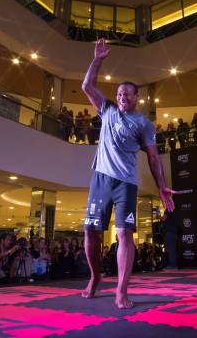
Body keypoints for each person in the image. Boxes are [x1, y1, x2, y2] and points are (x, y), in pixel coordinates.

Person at [80, 38, 175, 309]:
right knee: (90, 232)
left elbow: (154, 158)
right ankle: (95, 277)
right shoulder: (107, 109)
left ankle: (121, 290)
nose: (122, 97)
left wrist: (162, 186)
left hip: (126, 183)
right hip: (100, 179)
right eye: (119, 93)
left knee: (124, 234)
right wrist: (97, 59)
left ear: (136, 98)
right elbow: (87, 86)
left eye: (127, 94)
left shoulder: (143, 123)